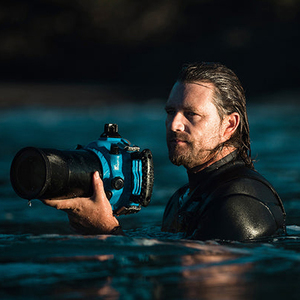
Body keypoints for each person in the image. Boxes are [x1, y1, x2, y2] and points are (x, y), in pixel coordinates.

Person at [42, 62, 286, 241]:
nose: (174, 125)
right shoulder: (182, 199)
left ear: (230, 125)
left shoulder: (238, 202)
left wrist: (106, 230)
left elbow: (200, 287)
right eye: (171, 112)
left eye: (191, 114)